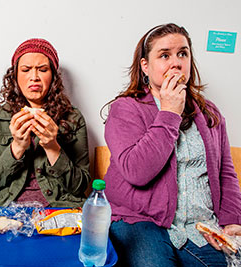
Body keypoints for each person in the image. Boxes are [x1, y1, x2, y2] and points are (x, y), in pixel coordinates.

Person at [103, 23, 241, 266]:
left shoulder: (210, 113)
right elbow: (137, 172)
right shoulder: (125, 109)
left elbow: (225, 172)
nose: (176, 62)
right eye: (164, 55)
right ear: (145, 66)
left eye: (183, 54)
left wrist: (232, 220)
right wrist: (168, 112)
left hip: (201, 226)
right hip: (139, 221)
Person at [0, 38, 90, 208]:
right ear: (15, 76)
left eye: (42, 70)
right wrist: (17, 146)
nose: (34, 77)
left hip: (59, 206)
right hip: (3, 205)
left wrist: (52, 146)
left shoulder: (73, 118)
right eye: (26, 70)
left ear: (53, 76)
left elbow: (79, 187)